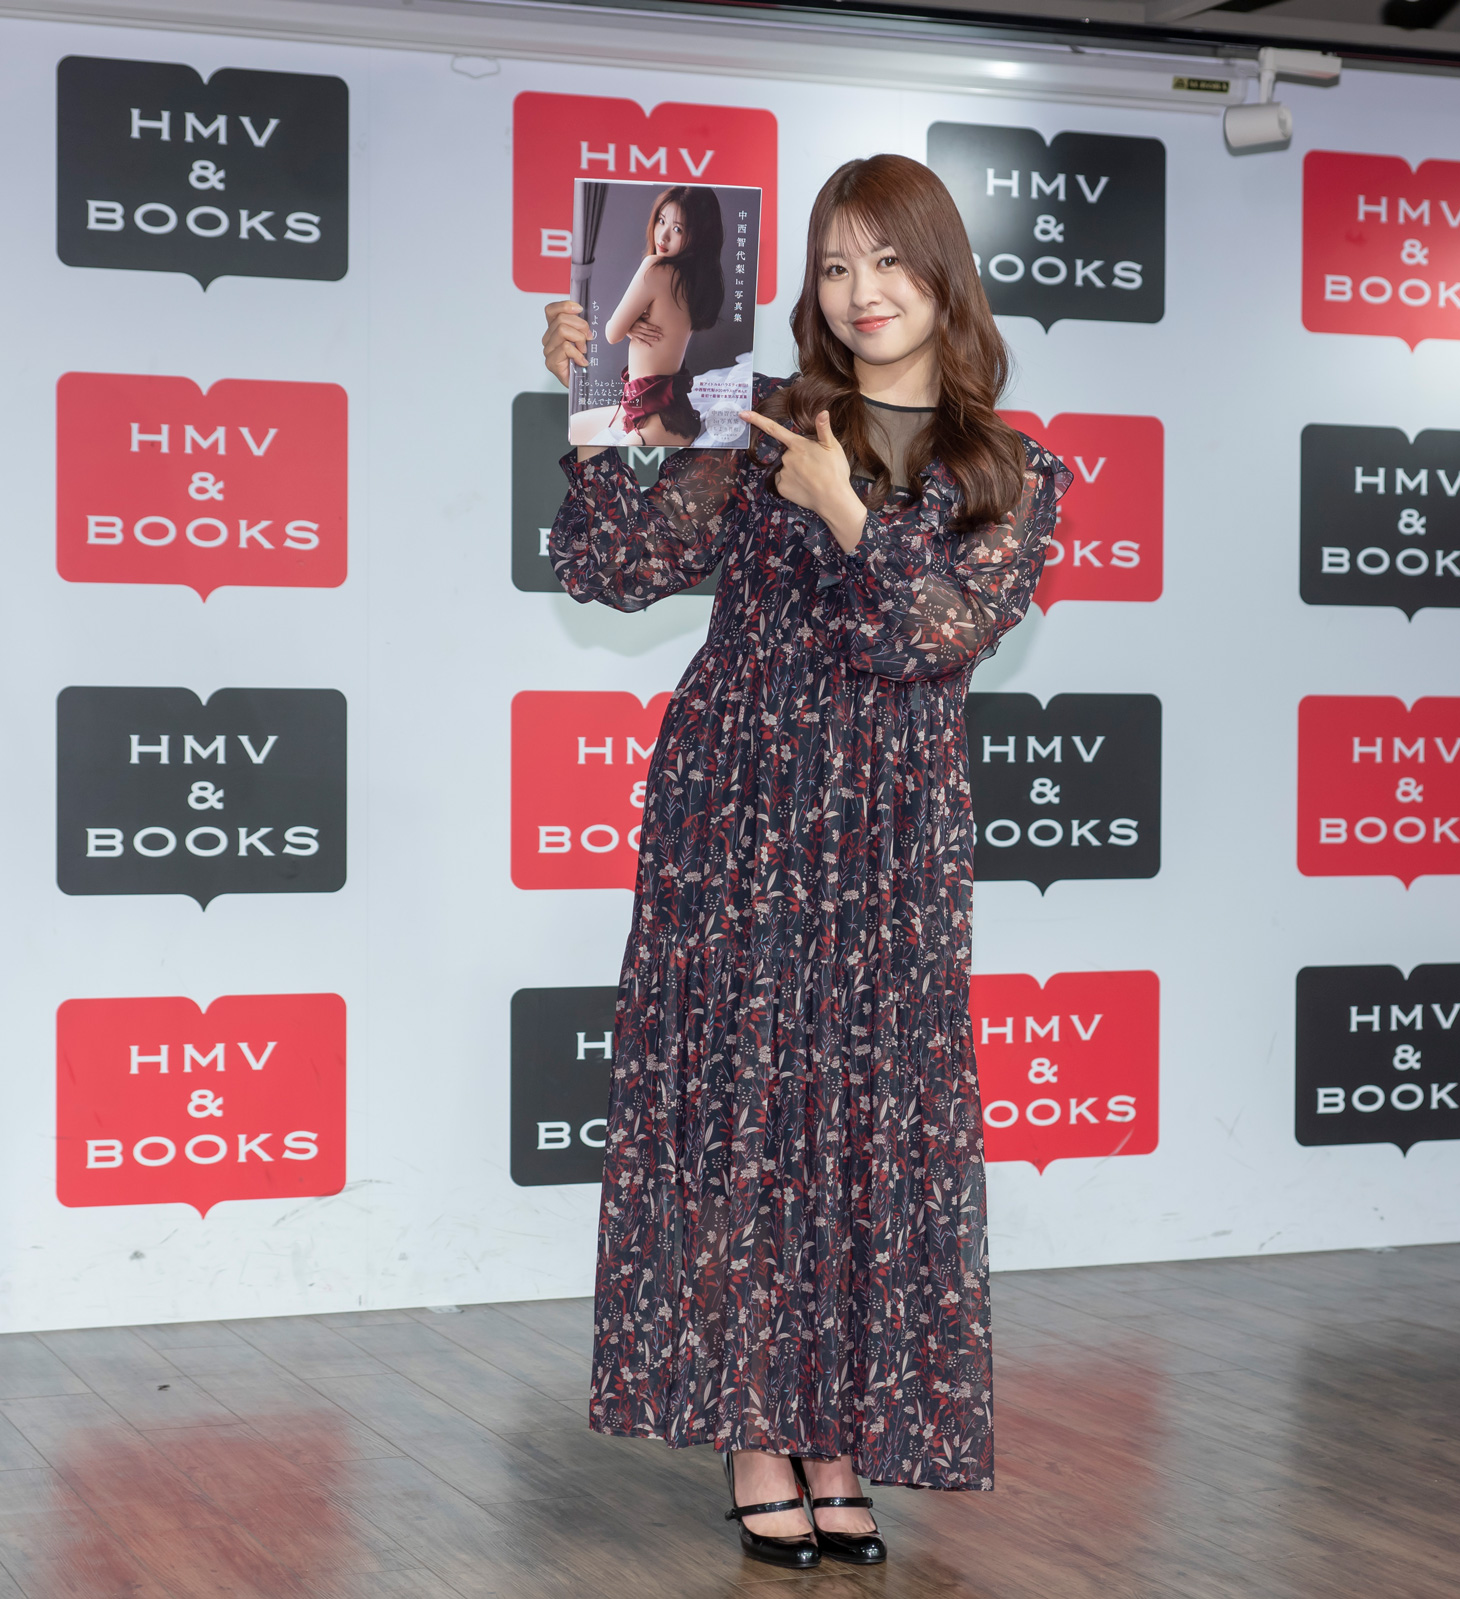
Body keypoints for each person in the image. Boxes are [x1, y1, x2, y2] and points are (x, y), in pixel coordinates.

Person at [540, 153, 1070, 1570]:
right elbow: (616, 571)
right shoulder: (756, 414)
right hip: (737, 812)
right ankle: (756, 1434)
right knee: (742, 1119)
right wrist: (590, 411)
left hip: (889, 837)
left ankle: (840, 1434)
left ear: (942, 273)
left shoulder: (1009, 469)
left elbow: (940, 632)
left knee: (868, 1132)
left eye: (886, 260)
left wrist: (843, 503)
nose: (861, 291)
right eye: (835, 266)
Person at [569, 185, 725, 448]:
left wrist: (628, 326)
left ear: (698, 236)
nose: (663, 235)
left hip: (655, 421)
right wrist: (632, 326)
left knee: (575, 443)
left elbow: (612, 333)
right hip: (665, 414)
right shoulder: (695, 282)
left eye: (678, 229)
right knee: (574, 427)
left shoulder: (654, 268)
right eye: (661, 221)